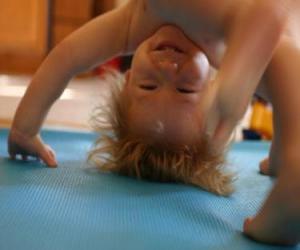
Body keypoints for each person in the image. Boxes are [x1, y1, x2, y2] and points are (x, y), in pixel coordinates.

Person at [7, 0, 299, 245]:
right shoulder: (217, 39)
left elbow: (68, 57)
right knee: (279, 54)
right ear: (210, 85)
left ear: (129, 78)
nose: (169, 68)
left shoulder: (136, 21)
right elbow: (272, 15)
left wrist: (25, 127)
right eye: (184, 89)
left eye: (148, 86)